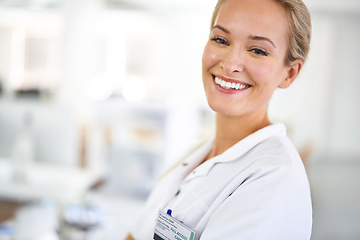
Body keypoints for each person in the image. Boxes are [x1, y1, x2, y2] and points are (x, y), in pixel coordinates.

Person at [126, 0, 312, 239]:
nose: (230, 63)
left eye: (258, 50)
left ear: (289, 73)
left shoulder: (274, 183)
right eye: (221, 40)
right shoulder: (197, 156)